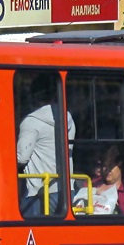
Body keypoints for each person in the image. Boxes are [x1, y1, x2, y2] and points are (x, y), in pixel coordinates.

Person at [17, 79, 75, 216]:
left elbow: (21, 158)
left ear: (34, 97)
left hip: (39, 193)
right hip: (67, 190)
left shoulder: (31, 122)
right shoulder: (68, 118)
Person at [73, 144, 124, 215]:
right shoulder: (90, 183)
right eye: (104, 166)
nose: (107, 170)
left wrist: (117, 208)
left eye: (111, 166)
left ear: (121, 167)